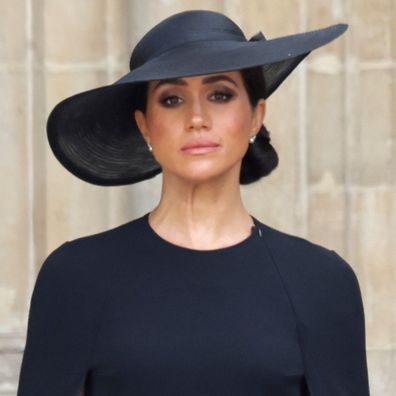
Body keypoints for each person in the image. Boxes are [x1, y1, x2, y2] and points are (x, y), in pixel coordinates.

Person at [16, 9, 370, 396]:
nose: (197, 117)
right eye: (171, 99)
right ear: (145, 124)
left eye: (220, 95)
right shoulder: (75, 277)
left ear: (256, 116)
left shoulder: (321, 281)